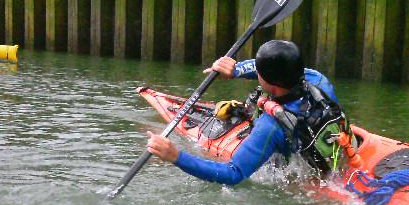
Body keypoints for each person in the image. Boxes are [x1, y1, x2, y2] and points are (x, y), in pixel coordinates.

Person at [146, 40, 353, 185]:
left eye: (260, 72)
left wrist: (175, 156)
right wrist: (236, 70)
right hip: (337, 152)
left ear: (270, 83)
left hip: (302, 173)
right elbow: (269, 68)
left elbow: (233, 174)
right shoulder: (318, 80)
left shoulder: (270, 126)